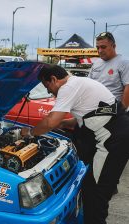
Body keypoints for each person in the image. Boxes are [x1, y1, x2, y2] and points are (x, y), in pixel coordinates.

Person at [21, 64, 129, 224]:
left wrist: (29, 132)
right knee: (96, 188)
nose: (49, 92)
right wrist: (65, 124)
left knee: (95, 193)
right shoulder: (81, 82)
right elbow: (94, 114)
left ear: (53, 79)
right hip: (119, 133)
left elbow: (51, 121)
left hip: (112, 142)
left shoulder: (67, 87)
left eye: (47, 87)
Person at [88, 32, 129, 114]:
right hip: (95, 110)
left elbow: (127, 87)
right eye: (97, 47)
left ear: (114, 46)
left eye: (103, 47)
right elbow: (88, 84)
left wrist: (121, 110)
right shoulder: (96, 63)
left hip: (114, 111)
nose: (100, 51)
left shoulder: (123, 63)